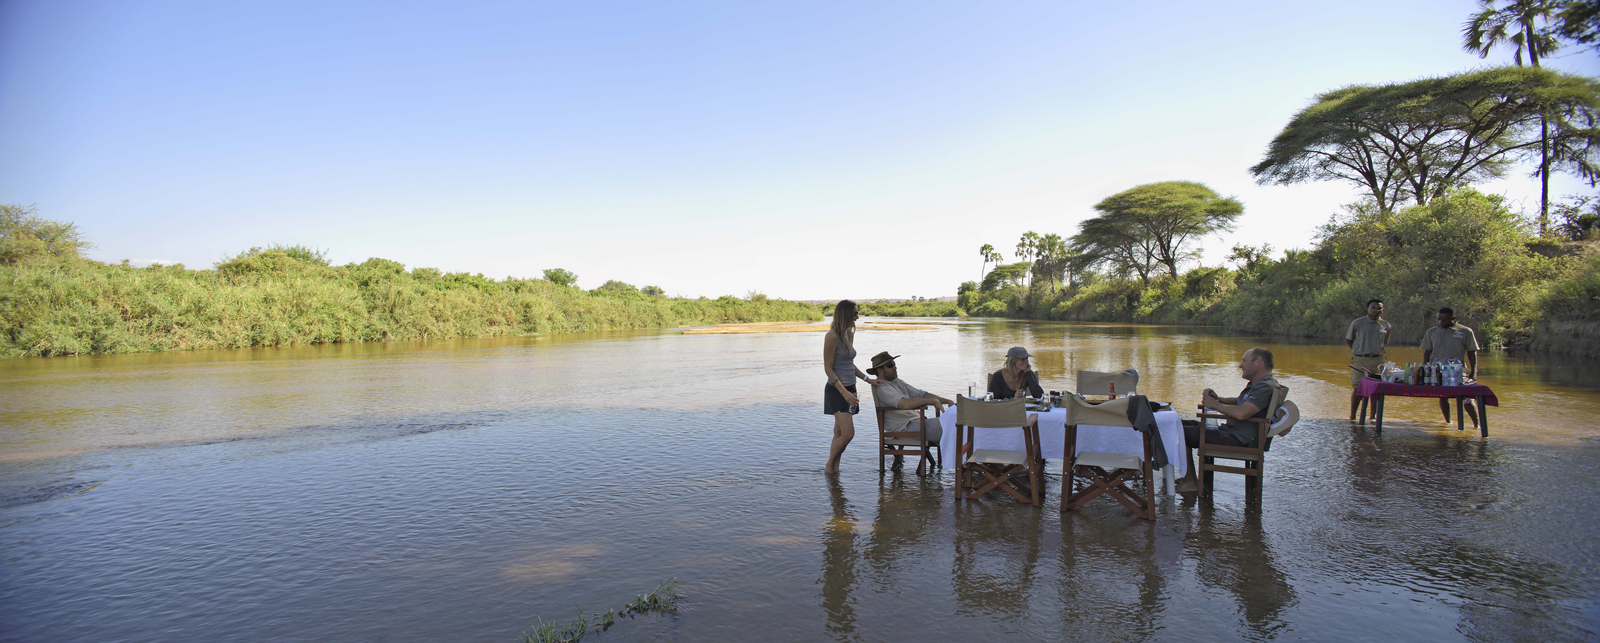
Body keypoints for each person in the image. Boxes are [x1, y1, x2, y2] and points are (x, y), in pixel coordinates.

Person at [1176, 348, 1277, 494]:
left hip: (1237, 438)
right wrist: (1218, 399)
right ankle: (1189, 477)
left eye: (1244, 361)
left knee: (1177, 430)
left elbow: (1243, 413)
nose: (1240, 365)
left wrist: (1215, 405)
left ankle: (1191, 481)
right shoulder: (1259, 384)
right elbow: (1240, 402)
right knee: (1177, 424)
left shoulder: (1264, 387)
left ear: (1258, 362)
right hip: (1234, 434)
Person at [865, 351, 954, 474]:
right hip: (904, 428)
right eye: (890, 365)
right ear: (879, 370)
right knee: (954, 426)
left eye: (894, 363)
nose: (895, 367)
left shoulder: (897, 382)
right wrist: (932, 401)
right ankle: (966, 467)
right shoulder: (882, 387)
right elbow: (904, 404)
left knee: (957, 423)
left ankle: (964, 464)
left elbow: (921, 394)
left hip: (918, 423)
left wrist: (947, 401)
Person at [823, 300, 881, 475]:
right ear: (845, 315)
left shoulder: (849, 334)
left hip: (850, 388)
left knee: (839, 431)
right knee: (848, 434)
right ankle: (829, 467)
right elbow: (828, 368)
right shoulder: (832, 336)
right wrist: (844, 393)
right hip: (837, 390)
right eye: (855, 313)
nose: (857, 316)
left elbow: (849, 364)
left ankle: (835, 471)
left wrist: (867, 379)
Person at [1421, 307, 1480, 428]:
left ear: (1453, 318)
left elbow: (1472, 352)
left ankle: (1477, 425)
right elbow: (1427, 351)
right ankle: (1448, 423)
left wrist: (1474, 371)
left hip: (1458, 370)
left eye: (1444, 320)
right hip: (1437, 370)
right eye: (1438, 319)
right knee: (1443, 396)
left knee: (1468, 399)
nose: (1440, 322)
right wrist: (1425, 368)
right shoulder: (1432, 331)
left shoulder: (1465, 331)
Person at [1346, 299, 1391, 420]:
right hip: (1361, 359)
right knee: (1358, 387)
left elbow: (1384, 343)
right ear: (1368, 309)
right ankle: (1353, 416)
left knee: (1377, 388)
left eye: (1379, 308)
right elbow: (1349, 340)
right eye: (1373, 307)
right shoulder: (1357, 323)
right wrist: (1357, 352)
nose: (1376, 310)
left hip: (1378, 360)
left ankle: (1372, 417)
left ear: (1383, 310)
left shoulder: (1386, 325)